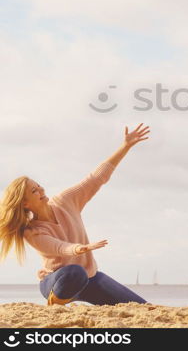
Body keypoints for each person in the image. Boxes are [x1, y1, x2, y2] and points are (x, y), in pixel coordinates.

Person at [0, 123, 150, 305]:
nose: (41, 190)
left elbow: (95, 179)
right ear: (25, 203)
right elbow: (58, 247)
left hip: (90, 279)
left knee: (143, 307)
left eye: (38, 185)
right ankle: (55, 302)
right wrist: (79, 248)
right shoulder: (32, 231)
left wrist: (124, 147)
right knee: (74, 272)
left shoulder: (65, 201)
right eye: (34, 191)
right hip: (57, 282)